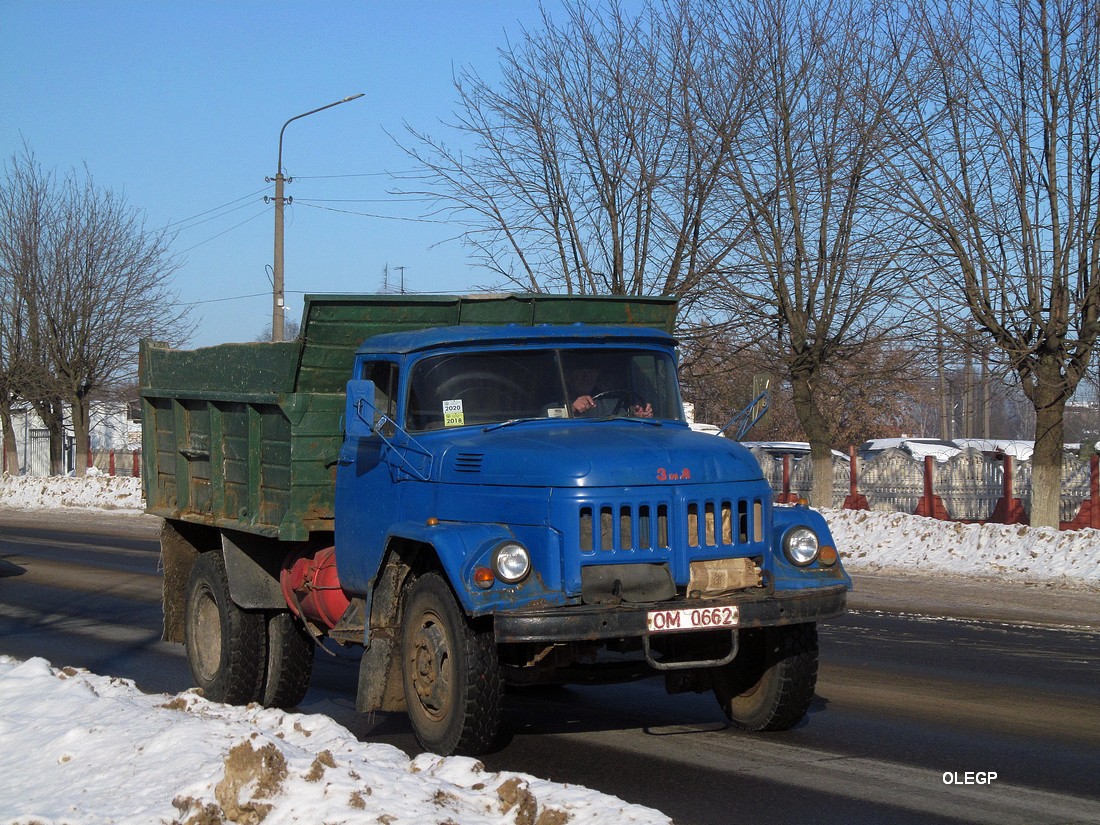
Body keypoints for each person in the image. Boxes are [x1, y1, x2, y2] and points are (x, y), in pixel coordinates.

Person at [567, 364, 653, 418]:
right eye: (580, 372)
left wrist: (638, 414)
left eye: (591, 372)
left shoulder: (608, 400)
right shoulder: (557, 400)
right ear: (570, 375)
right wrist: (572, 409)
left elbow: (623, 416)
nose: (586, 377)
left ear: (597, 375)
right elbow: (554, 417)